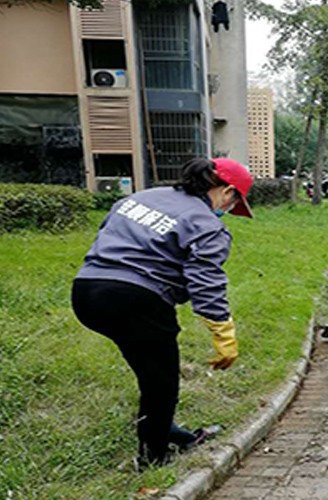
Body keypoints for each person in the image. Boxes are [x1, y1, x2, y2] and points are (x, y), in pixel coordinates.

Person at [71, 157, 253, 468]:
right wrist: (223, 331)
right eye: (234, 201)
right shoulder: (208, 225)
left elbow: (108, 233)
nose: (228, 209)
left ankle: (164, 427)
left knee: (149, 368)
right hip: (136, 299)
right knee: (162, 382)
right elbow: (205, 280)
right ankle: (152, 457)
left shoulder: (142, 197)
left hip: (87, 291)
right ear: (227, 191)